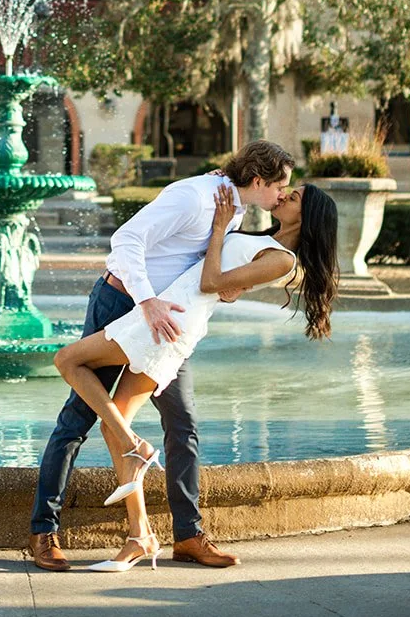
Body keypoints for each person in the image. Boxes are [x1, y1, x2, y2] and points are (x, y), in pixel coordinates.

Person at [28, 139, 295, 572]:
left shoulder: (237, 207)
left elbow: (202, 270)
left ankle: (187, 537)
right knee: (78, 419)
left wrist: (226, 289)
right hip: (124, 307)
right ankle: (44, 532)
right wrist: (147, 300)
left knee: (182, 424)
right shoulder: (191, 197)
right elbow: (126, 238)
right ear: (258, 179)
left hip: (169, 325)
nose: (283, 195)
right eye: (281, 187)